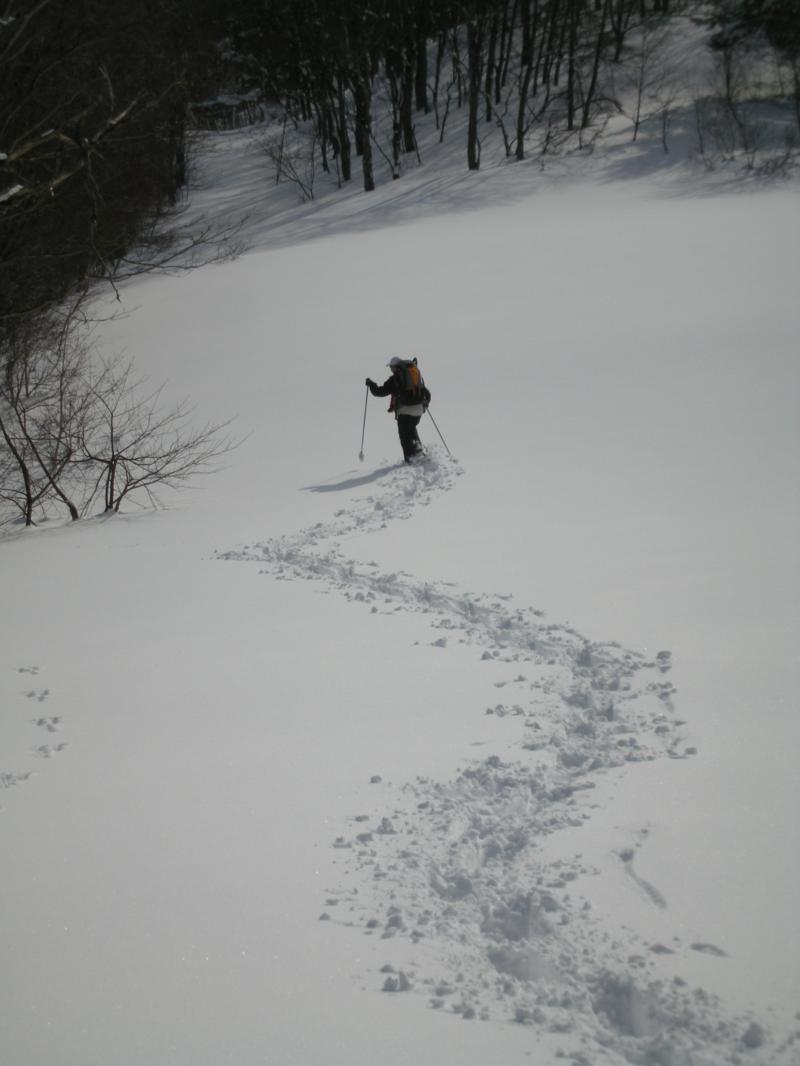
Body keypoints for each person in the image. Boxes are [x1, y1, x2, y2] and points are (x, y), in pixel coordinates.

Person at [366, 356, 431, 463]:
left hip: (405, 411)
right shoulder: (414, 376)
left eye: (391, 367)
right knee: (411, 429)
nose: (391, 370)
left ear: (396, 367)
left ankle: (410, 460)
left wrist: (371, 384)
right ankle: (419, 452)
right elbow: (427, 393)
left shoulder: (395, 379)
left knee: (405, 437)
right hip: (419, 410)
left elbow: (379, 392)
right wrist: (424, 405)